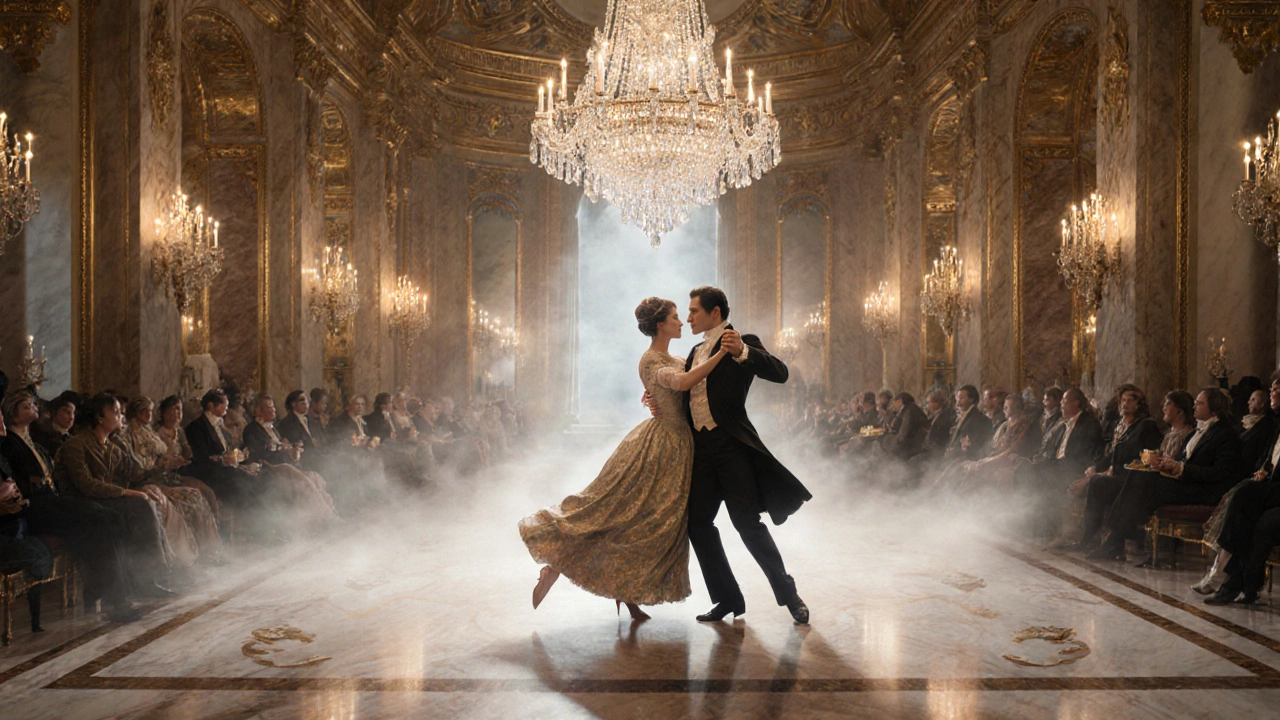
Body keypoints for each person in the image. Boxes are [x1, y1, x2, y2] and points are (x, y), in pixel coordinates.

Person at [520, 297, 731, 620]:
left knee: (647, 524)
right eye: (676, 317)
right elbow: (684, 381)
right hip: (658, 446)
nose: (681, 322)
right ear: (660, 324)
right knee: (615, 514)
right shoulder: (649, 360)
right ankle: (557, 564)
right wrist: (720, 354)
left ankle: (627, 595)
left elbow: (684, 389)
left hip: (679, 446)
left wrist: (653, 397)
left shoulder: (673, 356)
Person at [680, 286, 810, 624]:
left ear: (716, 313)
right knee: (697, 523)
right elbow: (688, 401)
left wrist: (744, 352)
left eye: (694, 311)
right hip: (702, 454)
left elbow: (780, 373)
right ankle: (728, 598)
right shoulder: (694, 351)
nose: (689, 317)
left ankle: (790, 595)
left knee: (747, 525)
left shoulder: (742, 340)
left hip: (732, 450)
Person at [1, 395, 139, 625]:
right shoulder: (8, 445)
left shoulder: (33, 441)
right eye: (26, 406)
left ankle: (108, 590)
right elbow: (17, 484)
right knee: (98, 520)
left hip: (51, 501)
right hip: (33, 508)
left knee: (112, 517)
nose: (34, 407)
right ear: (12, 415)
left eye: (34, 404)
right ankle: (115, 599)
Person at [1094, 388, 1242, 563]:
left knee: (1141, 483)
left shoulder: (1225, 435)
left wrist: (1180, 468)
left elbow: (1221, 473)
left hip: (1203, 490)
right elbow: (1183, 459)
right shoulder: (1198, 431)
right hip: (1185, 483)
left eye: (1200, 403)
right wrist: (1166, 464)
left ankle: (1118, 540)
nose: (1195, 406)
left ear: (1215, 408)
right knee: (1138, 475)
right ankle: (1119, 540)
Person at [53, 393, 175, 597]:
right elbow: (86, 485)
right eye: (116, 412)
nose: (121, 416)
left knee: (146, 503)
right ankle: (142, 580)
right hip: (83, 505)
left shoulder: (112, 447)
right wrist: (126, 492)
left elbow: (135, 473)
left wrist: (165, 465)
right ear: (100, 417)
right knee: (138, 505)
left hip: (108, 501)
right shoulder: (76, 445)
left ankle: (148, 577)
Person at [1193, 379, 1280, 594]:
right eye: (1271, 388)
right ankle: (1233, 578)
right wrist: (1266, 469)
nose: (1272, 393)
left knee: (1242, 496)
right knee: (1242, 498)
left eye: (1277, 389)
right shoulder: (1276, 424)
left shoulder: (1267, 424)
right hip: (1271, 485)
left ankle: (1227, 577)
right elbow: (1271, 456)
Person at [117, 396, 220, 566]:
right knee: (187, 498)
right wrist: (167, 464)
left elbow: (164, 459)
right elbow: (137, 469)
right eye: (144, 410)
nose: (148, 414)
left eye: (150, 410)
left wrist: (173, 461)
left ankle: (209, 550)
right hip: (145, 481)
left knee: (197, 494)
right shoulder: (128, 436)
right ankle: (187, 558)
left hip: (161, 476)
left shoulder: (149, 433)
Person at [1070, 384, 1164, 552]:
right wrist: (1096, 467)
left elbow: (1147, 457)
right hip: (1119, 476)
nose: (1124, 404)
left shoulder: (1146, 426)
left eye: (1129, 400)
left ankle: (1109, 540)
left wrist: (1111, 470)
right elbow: (1113, 454)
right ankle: (1091, 535)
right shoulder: (1122, 426)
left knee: (1098, 484)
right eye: (1123, 400)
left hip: (1133, 480)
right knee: (1096, 482)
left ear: (1139, 404)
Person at [945, 385, 993, 461]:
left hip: (968, 460)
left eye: (961, 398)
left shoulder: (978, 419)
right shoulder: (961, 417)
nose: (958, 402)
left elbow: (975, 445)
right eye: (957, 398)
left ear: (971, 399)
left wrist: (955, 452)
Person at [31, 393, 76, 458]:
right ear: (53, 412)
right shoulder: (43, 437)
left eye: (73, 413)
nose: (71, 417)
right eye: (66, 412)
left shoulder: (72, 439)